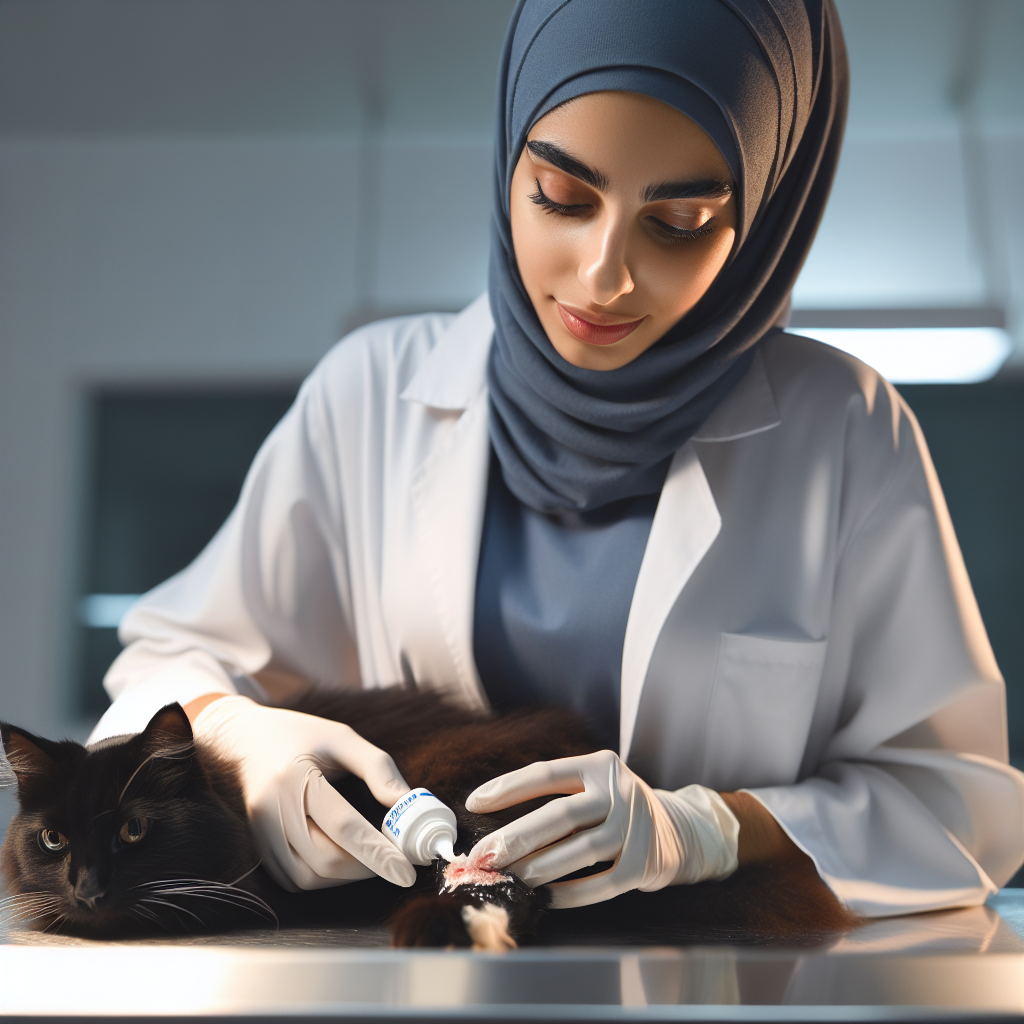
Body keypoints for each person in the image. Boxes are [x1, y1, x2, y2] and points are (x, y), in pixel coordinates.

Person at [88, 0, 1024, 916]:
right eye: (562, 197)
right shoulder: (369, 394)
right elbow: (167, 663)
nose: (602, 275)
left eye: (682, 222)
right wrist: (243, 743)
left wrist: (710, 828)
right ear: (506, 162)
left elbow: (959, 805)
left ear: (768, 215)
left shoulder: (845, 430)